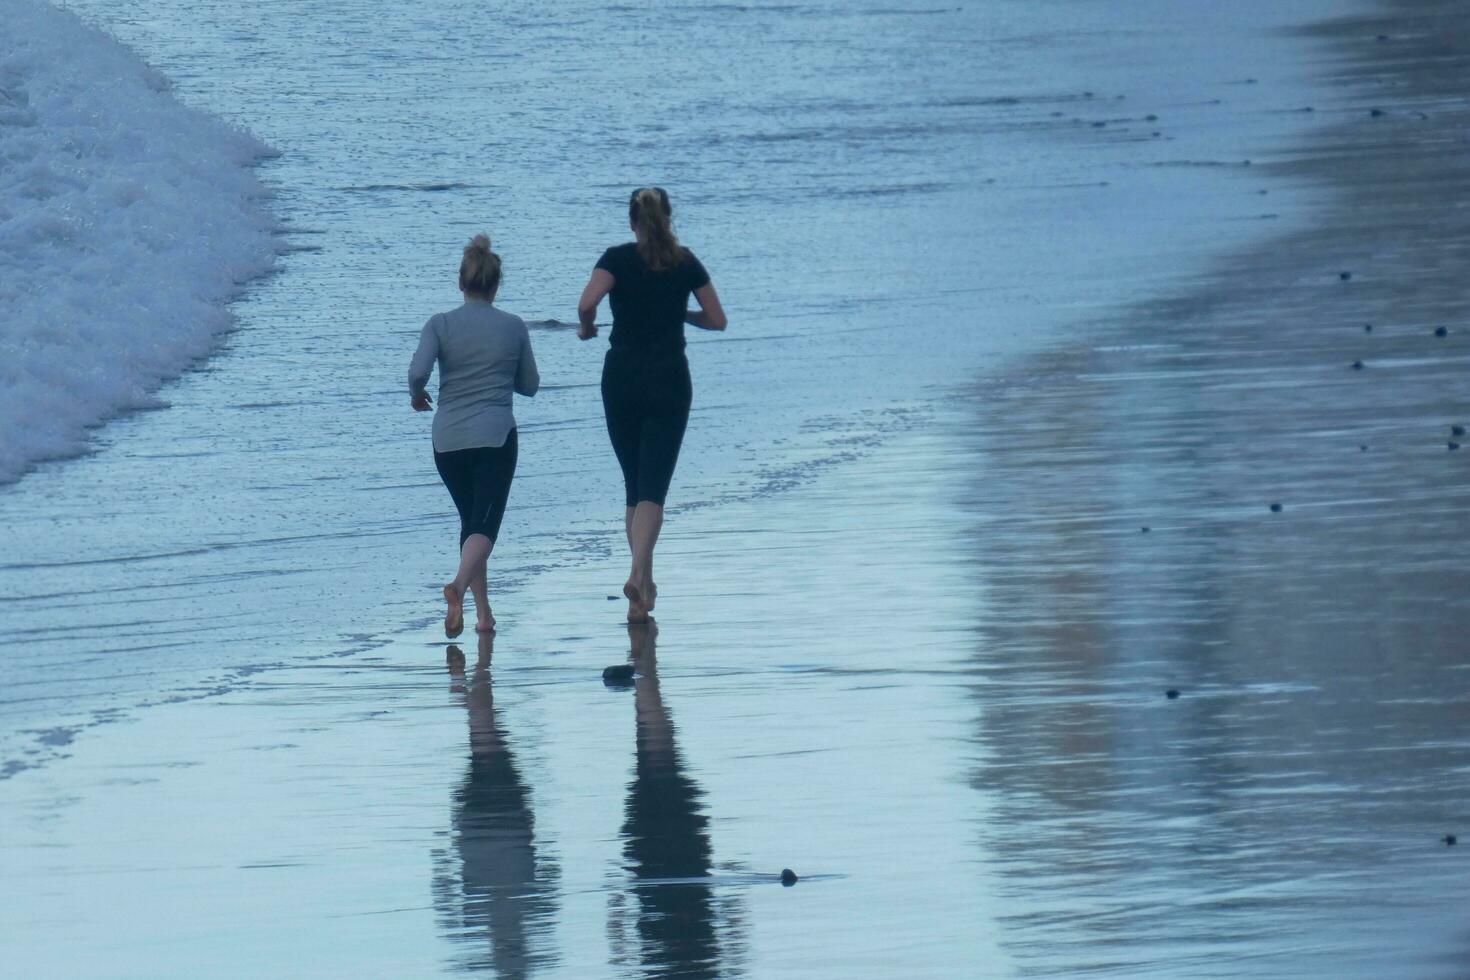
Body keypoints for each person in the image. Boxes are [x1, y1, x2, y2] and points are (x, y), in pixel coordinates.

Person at [577, 188, 727, 623]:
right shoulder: (685, 261)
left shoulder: (617, 259)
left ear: (632, 222)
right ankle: (639, 573)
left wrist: (587, 328)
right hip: (669, 381)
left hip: (621, 378)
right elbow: (717, 320)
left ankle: (641, 593)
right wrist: (680, 314)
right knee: (653, 488)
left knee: (634, 485)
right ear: (668, 220)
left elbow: (587, 302)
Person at [410, 234, 539, 638]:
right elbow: (530, 384)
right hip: (494, 436)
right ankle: (457, 588)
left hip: (447, 441)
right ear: (496, 284)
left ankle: (483, 614)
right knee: (485, 526)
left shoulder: (440, 324)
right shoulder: (512, 327)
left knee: (470, 522)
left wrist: (418, 396)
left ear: (460, 282)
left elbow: (417, 372)